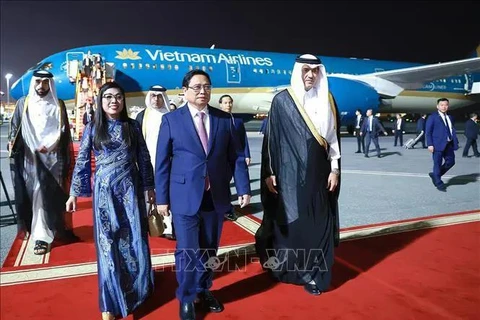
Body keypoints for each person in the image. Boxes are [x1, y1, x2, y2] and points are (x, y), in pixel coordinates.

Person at [155, 69, 251, 319]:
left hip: (215, 195)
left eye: (206, 86)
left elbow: (237, 157)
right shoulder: (171, 120)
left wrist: (243, 188)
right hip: (184, 195)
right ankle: (186, 297)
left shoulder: (224, 119)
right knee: (187, 249)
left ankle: (203, 288)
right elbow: (162, 162)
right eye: (196, 87)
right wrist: (162, 198)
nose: (202, 91)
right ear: (184, 90)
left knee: (210, 249)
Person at [65, 82, 155, 320]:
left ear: (123, 101)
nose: (113, 101)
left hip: (131, 192)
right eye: (108, 97)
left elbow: (143, 159)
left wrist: (149, 187)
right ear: (100, 101)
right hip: (104, 195)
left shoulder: (132, 127)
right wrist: (74, 193)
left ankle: (137, 290)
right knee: (107, 245)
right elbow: (83, 161)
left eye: (118, 97)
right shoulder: (93, 128)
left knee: (134, 238)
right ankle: (109, 302)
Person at [255, 54, 341, 296]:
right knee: (293, 223)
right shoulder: (282, 101)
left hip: (320, 174)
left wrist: (335, 169)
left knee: (320, 223)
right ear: (297, 72)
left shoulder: (328, 100)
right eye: (305, 70)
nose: (310, 75)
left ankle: (316, 275)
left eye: (314, 71)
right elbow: (272, 141)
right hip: (288, 176)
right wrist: (269, 173)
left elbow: (333, 140)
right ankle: (292, 269)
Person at [8, 70, 77, 255]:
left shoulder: (58, 104)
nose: (41, 86)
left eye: (45, 83)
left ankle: (47, 232)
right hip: (30, 158)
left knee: (48, 195)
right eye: (38, 82)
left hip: (53, 158)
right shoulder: (24, 103)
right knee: (34, 194)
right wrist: (28, 147)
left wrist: (49, 145)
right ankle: (39, 233)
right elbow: (15, 129)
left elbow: (63, 132)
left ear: (50, 84)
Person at [136, 85, 175, 240]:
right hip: (146, 163)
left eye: (160, 96)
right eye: (153, 96)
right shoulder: (141, 116)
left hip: (168, 164)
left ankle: (168, 227)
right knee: (147, 195)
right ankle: (150, 224)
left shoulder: (172, 116)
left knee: (167, 194)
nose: (156, 99)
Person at [218, 94, 251, 221]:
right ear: (220, 104)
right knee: (223, 185)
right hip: (221, 159)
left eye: (230, 102)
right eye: (225, 103)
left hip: (236, 156)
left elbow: (243, 139)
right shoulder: (217, 119)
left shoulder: (237, 120)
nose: (228, 105)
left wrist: (246, 154)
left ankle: (227, 207)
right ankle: (226, 207)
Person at [426, 98, 459, 192]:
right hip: (437, 145)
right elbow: (428, 132)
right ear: (437, 106)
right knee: (437, 163)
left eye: (446, 105)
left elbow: (451, 129)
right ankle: (438, 183)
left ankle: (435, 175)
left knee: (451, 162)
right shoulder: (432, 117)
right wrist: (430, 144)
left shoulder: (450, 117)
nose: (444, 107)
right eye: (442, 105)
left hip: (449, 144)